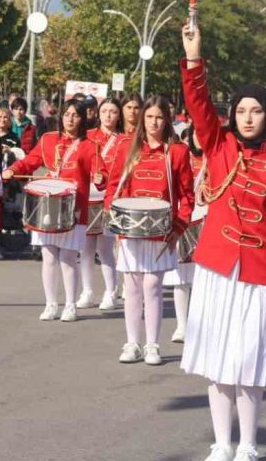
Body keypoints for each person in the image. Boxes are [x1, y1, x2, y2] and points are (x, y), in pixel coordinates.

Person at [180, 22, 266, 461]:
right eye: (241, 110)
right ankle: (221, 443)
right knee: (217, 361)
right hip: (217, 269)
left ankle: (249, 444)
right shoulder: (217, 146)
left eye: (256, 110)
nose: (247, 117)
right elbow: (197, 103)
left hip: (262, 274)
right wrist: (194, 56)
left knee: (250, 362)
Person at [104, 95, 193, 365]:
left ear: (167, 120)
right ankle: (132, 343)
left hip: (161, 232)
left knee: (153, 286)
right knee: (131, 287)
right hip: (131, 230)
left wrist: (177, 229)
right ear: (142, 118)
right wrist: (115, 217)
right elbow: (114, 188)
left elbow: (186, 196)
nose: (154, 122)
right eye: (150, 116)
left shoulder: (176, 152)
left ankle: (152, 345)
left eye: (159, 117)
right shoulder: (127, 146)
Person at [4, 100, 106, 322]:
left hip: (74, 206)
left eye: (75, 115)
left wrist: (100, 179)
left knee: (68, 257)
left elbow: (101, 174)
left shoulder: (90, 145)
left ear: (83, 119)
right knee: (48, 256)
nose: (70, 119)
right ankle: (51, 303)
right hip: (48, 204)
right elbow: (30, 161)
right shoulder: (48, 139)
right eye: (67, 114)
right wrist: (13, 169)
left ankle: (70, 304)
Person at [84, 98, 126, 309]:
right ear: (98, 113)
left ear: (119, 115)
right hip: (87, 196)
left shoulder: (124, 140)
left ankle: (111, 291)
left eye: (113, 111)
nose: (108, 115)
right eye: (105, 111)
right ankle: (87, 290)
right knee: (86, 247)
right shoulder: (88, 136)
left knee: (105, 247)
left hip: (110, 197)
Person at [166, 126, 204, 343]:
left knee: (202, 278)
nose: (198, 139)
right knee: (180, 276)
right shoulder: (181, 156)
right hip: (185, 219)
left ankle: (199, 325)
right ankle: (181, 325)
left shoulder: (216, 158)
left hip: (207, 222)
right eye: (195, 134)